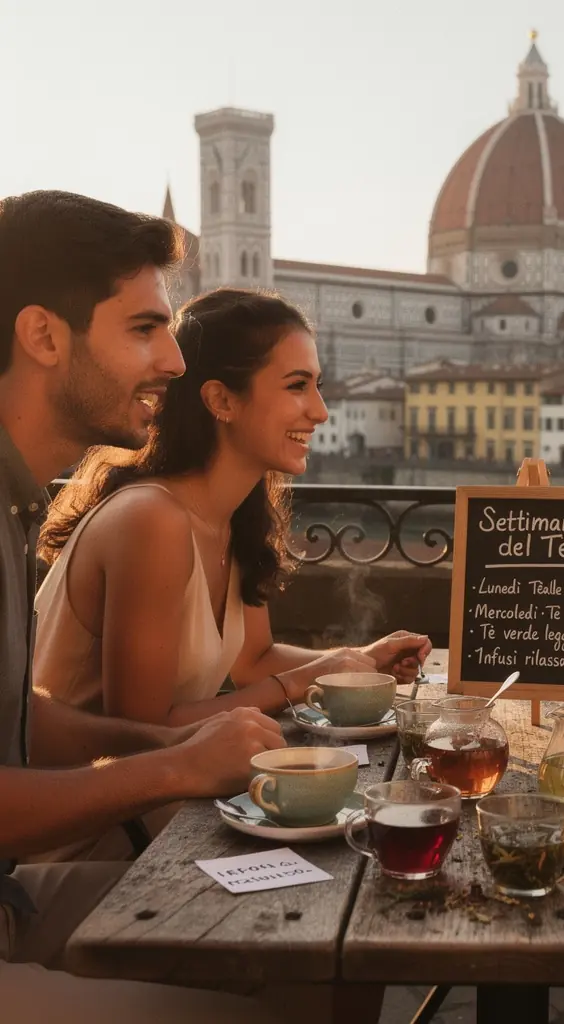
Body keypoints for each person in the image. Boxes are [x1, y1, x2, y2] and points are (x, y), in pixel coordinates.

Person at [0, 189, 298, 1021]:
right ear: (44, 336)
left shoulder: (18, 502)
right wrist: (174, 763)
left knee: (315, 953)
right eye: (143, 329)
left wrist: (175, 737)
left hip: (19, 896)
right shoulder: (137, 517)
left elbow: (21, 717)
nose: (173, 360)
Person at [30, 286, 429, 861]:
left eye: (318, 385)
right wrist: (307, 678)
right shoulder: (154, 520)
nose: (319, 410)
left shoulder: (234, 513)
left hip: (162, 818)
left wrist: (360, 658)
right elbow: (143, 729)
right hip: (88, 842)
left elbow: (253, 662)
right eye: (297, 386)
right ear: (220, 399)